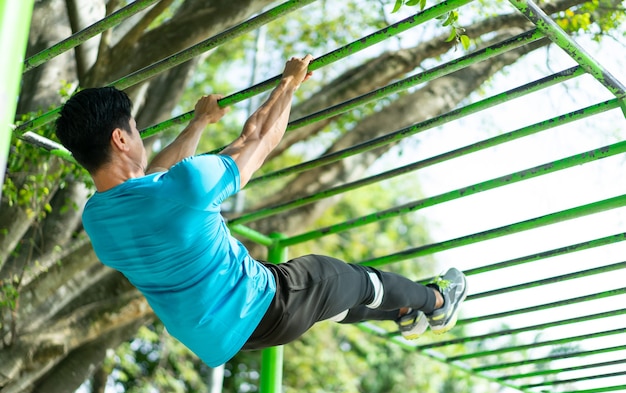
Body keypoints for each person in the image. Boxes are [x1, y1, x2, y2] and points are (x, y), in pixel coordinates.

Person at [55, 55, 467, 367]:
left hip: (217, 340)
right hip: (269, 301)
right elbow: (259, 139)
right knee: (350, 280)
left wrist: (199, 124)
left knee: (331, 302)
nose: (141, 136)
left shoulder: (97, 221)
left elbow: (156, 174)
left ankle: (402, 313)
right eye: (135, 128)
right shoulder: (186, 187)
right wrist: (289, 83)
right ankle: (436, 302)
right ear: (120, 139)